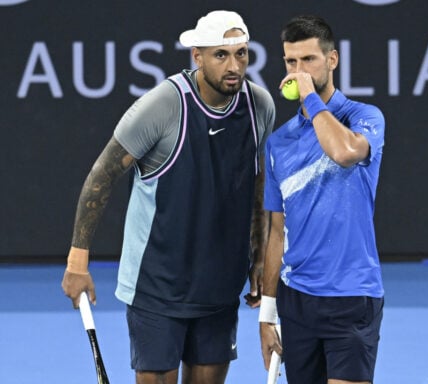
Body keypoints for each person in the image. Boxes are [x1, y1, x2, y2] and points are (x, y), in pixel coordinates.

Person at [61, 10, 275, 384]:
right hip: (157, 287)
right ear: (197, 56)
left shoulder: (259, 106)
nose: (234, 66)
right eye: (221, 55)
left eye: (241, 54)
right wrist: (78, 263)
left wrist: (258, 256)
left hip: (220, 287)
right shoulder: (161, 106)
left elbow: (256, 183)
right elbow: (102, 176)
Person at [258, 15, 385, 384]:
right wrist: (267, 314)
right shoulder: (279, 143)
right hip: (296, 300)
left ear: (332, 60)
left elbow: (345, 152)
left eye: (309, 60)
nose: (299, 72)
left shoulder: (364, 117)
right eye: (290, 62)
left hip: (352, 295)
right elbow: (276, 232)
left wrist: (311, 97)